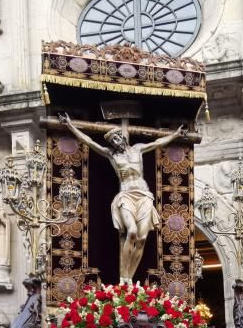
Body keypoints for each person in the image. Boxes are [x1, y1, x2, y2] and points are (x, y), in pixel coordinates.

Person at [59, 112, 186, 282]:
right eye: (112, 141)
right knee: (131, 231)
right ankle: (123, 276)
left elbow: (157, 142)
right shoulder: (112, 155)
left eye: (116, 139)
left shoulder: (138, 149)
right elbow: (89, 141)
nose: (115, 143)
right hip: (126, 195)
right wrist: (70, 125)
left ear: (122, 138)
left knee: (141, 238)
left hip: (144, 196)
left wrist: (176, 134)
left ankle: (129, 277)